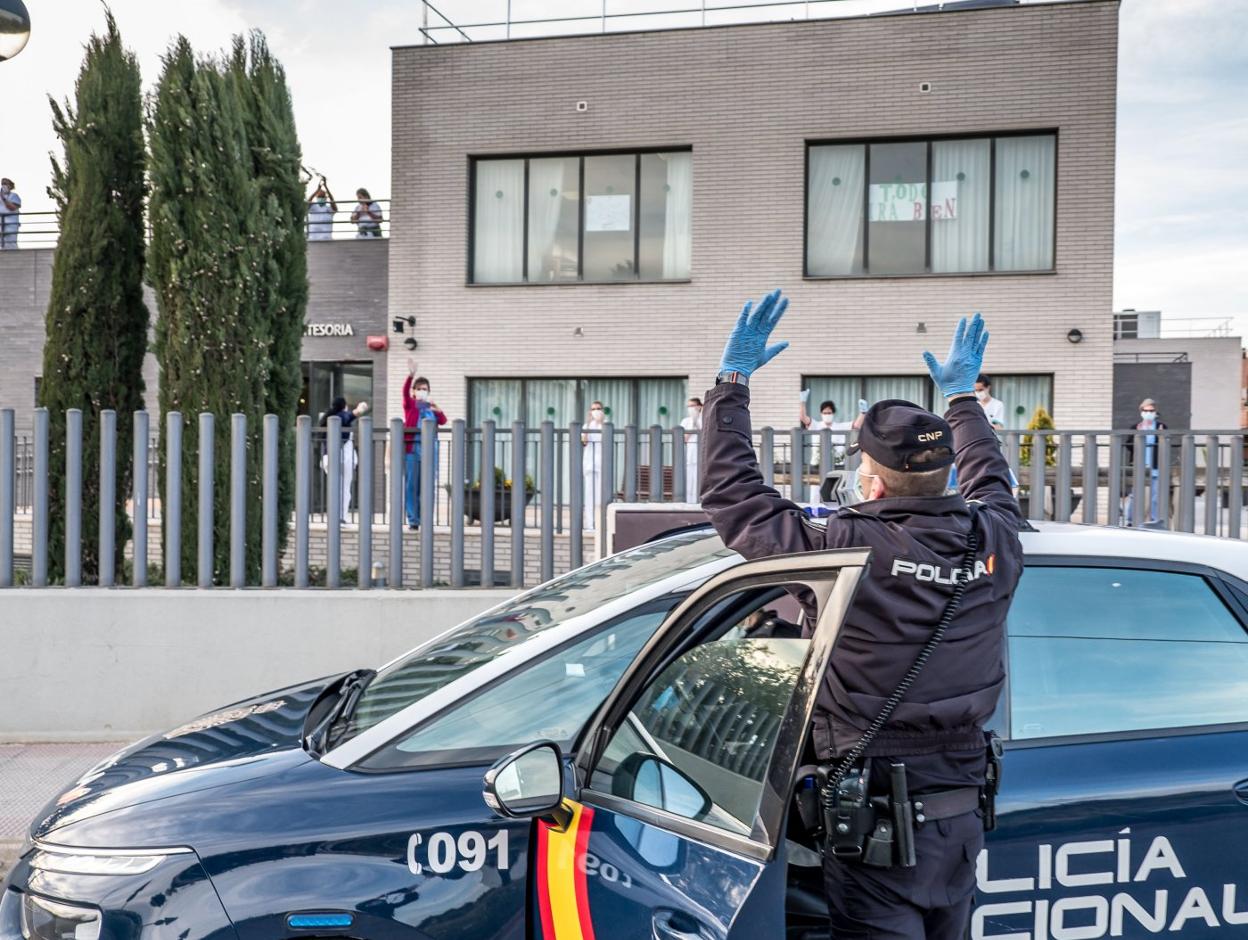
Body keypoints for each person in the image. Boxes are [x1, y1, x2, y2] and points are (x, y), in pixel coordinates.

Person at [701, 291, 1024, 940]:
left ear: (871, 484)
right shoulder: (995, 540)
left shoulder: (843, 551)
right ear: (948, 478)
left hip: (874, 821)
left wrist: (731, 382)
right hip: (960, 819)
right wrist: (962, 398)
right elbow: (993, 481)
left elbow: (731, 495)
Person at [403, 364, 447, 529]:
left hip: (430, 452)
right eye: (419, 389)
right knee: (411, 486)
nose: (422, 391)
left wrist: (437, 408)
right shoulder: (411, 405)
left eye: (425, 389)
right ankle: (413, 520)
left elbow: (443, 421)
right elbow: (404, 393)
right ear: (414, 391)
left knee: (427, 486)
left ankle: (426, 518)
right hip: (413, 450)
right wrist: (410, 376)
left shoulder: (429, 407)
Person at [320, 397, 369, 521]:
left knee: (335, 487)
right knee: (345, 487)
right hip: (344, 457)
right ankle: (341, 515)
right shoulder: (342, 416)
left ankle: (334, 515)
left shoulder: (327, 418)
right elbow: (352, 414)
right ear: (344, 406)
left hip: (329, 456)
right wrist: (360, 407)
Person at [1124, 398, 1166, 526]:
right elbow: (1128, 445)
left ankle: (1153, 519)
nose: (1148, 413)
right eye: (1145, 410)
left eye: (1151, 410)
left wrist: (1161, 435)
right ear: (1141, 411)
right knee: (1134, 495)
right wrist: (1136, 435)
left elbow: (1164, 445)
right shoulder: (1135, 427)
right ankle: (1130, 520)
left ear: (1155, 411)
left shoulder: (1161, 426)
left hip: (1155, 465)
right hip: (1139, 465)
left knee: (1155, 495)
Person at [582, 401, 607, 529]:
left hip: (602, 464)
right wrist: (588, 422)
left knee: (601, 495)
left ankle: (600, 523)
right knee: (589, 495)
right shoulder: (587, 425)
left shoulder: (606, 424)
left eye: (598, 408)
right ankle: (590, 524)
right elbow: (584, 442)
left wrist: (601, 422)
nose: (595, 411)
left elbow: (607, 439)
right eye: (593, 409)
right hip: (590, 464)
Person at [680, 397, 703, 502]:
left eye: (692, 406)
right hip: (690, 455)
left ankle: (700, 500)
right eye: (688, 406)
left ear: (699, 407)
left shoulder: (705, 419)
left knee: (700, 478)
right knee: (689, 479)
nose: (690, 408)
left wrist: (697, 424)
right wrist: (692, 426)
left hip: (702, 456)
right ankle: (690, 501)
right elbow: (684, 439)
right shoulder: (686, 421)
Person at [0, 179, 21, 249]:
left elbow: (12, 208)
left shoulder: (14, 196)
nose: (3, 185)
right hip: (1, 224)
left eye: (5, 183)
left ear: (10, 185)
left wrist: (4, 199)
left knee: (10, 244)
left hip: (11, 225)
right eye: (2, 183)